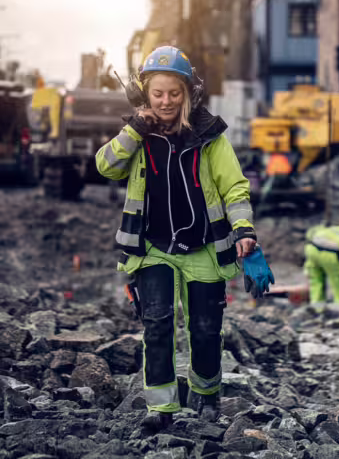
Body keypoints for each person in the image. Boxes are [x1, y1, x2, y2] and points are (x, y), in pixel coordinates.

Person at [95, 46, 270, 430]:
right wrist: (134, 129)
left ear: (188, 93)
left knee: (206, 329)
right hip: (153, 248)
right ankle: (161, 408)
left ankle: (206, 397)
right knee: (157, 325)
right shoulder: (138, 135)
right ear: (145, 93)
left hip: (203, 248)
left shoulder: (210, 136)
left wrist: (245, 232)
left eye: (174, 93)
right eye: (158, 93)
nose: (166, 101)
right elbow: (106, 166)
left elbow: (235, 188)